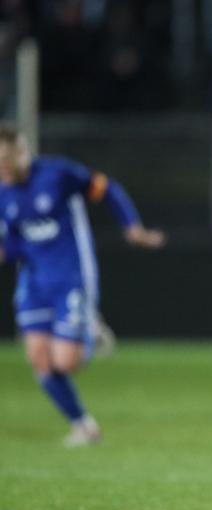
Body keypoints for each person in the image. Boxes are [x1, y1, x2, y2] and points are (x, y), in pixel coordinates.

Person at [0, 124, 165, 446]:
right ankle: (84, 426)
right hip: (33, 282)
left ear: (23, 152)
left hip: (72, 277)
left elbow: (108, 188)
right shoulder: (2, 193)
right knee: (39, 359)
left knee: (66, 363)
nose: (3, 167)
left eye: (7, 159)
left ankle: (89, 328)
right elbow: (16, 245)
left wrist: (132, 226)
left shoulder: (57, 174)